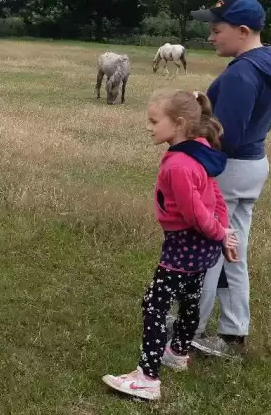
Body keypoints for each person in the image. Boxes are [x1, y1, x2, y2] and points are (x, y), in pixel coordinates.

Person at [102, 90, 239, 401]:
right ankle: (177, 352)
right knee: (190, 298)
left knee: (155, 305)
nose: (148, 127)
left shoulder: (177, 164)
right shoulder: (199, 151)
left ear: (178, 124)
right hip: (203, 248)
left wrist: (219, 232)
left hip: (183, 245)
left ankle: (147, 376)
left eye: (153, 121)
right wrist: (222, 232)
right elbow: (216, 197)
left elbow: (193, 212)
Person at [188, 0, 271, 358]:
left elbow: (225, 137)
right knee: (233, 249)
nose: (211, 37)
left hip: (228, 170)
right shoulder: (268, 62)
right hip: (251, 165)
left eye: (217, 30)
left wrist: (191, 132)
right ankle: (231, 331)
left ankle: (191, 330)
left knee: (209, 249)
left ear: (243, 30)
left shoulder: (242, 73)